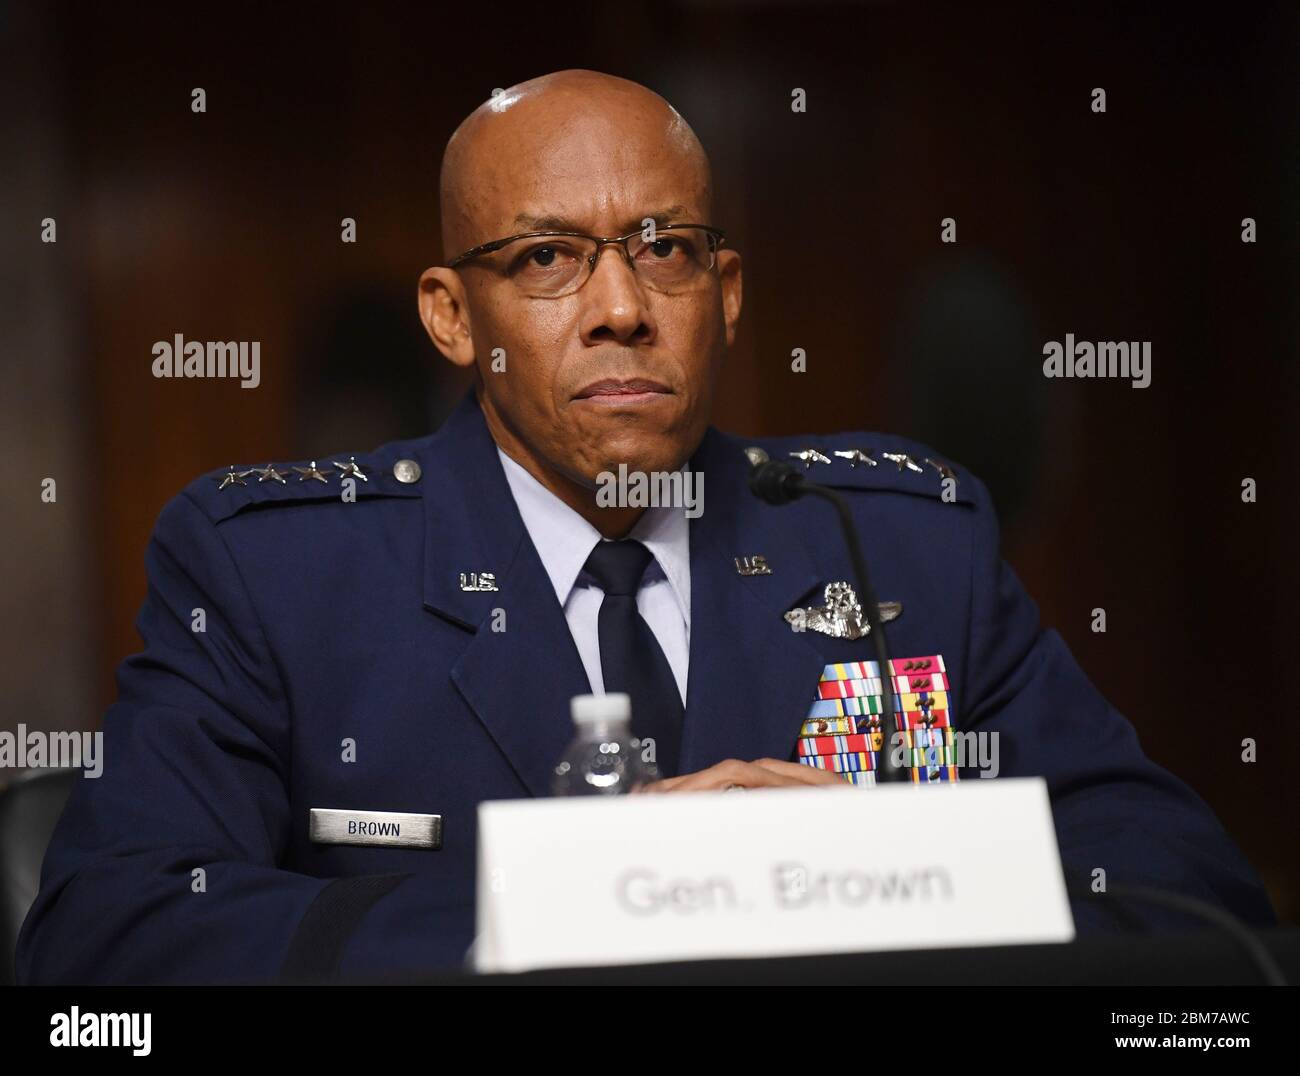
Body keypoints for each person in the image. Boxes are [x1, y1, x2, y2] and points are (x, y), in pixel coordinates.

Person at [16, 70, 1274, 985]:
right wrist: (585, 893)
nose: (621, 307)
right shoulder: (275, 571)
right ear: (455, 318)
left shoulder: (897, 542)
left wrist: (889, 863)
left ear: (723, 297)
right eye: (551, 259)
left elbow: (1186, 895)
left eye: (664, 249)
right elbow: (107, 940)